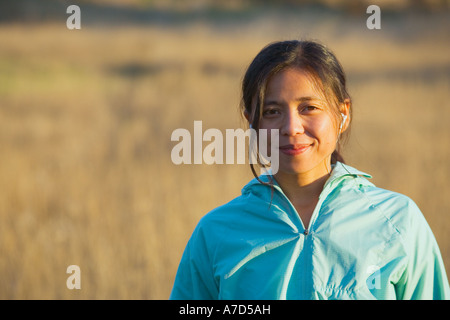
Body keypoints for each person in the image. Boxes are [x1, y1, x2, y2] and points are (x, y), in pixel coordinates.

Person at [170, 40, 450, 299]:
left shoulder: (397, 222)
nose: (291, 128)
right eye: (271, 111)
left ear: (343, 114)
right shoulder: (216, 233)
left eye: (309, 107)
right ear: (252, 122)